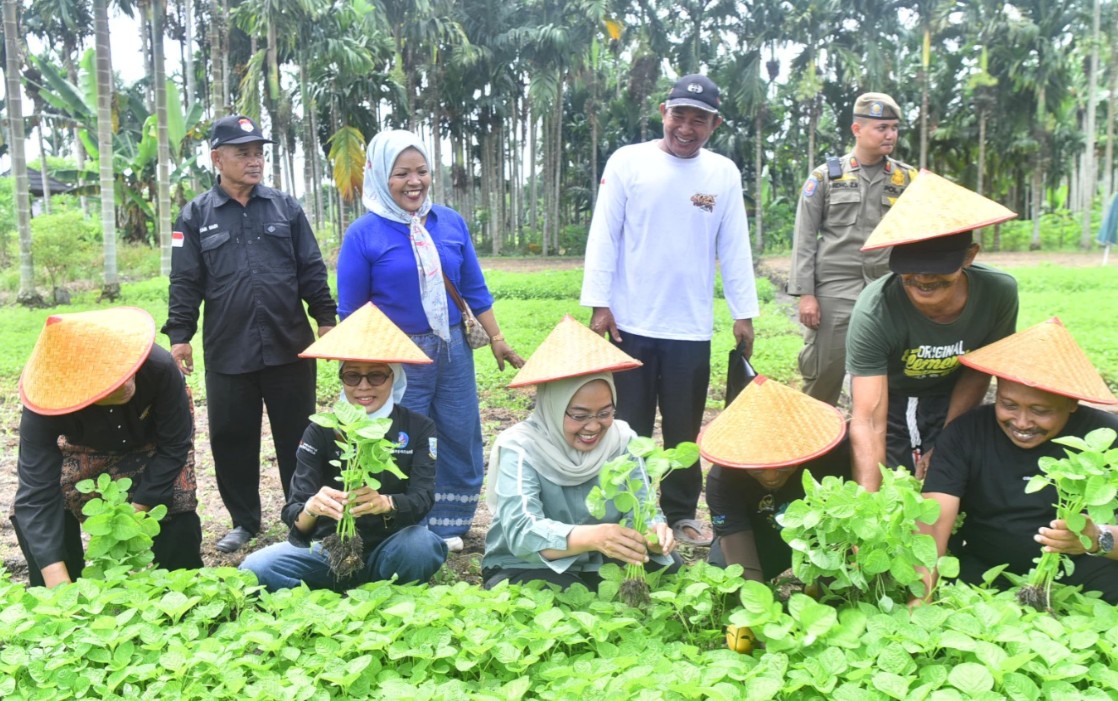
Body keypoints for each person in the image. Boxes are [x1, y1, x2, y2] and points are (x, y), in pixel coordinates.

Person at [580, 74, 760, 546]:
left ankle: (680, 511)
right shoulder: (628, 162)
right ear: (664, 112)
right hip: (630, 323)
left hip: (690, 327)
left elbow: (735, 246)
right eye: (679, 115)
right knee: (629, 426)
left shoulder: (722, 174)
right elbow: (604, 235)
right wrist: (600, 305)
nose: (686, 127)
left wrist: (744, 313)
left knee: (683, 429)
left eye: (698, 119)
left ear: (714, 124)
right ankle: (630, 509)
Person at [336, 129, 523, 550]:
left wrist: (497, 338)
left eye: (421, 171)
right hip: (396, 355)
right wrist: (362, 373)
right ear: (381, 176)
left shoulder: (449, 222)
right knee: (401, 438)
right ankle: (401, 523)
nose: (414, 181)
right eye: (401, 173)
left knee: (459, 431)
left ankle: (450, 524)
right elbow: (352, 312)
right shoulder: (364, 234)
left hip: (453, 346)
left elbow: (474, 288)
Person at [163, 114, 337, 554]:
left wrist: (326, 319)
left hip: (289, 345)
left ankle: (306, 515)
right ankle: (244, 521)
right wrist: (180, 334)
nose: (254, 160)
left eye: (258, 152)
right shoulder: (195, 215)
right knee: (231, 438)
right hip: (227, 349)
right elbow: (184, 281)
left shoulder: (286, 208)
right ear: (217, 158)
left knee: (300, 439)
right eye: (243, 153)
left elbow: (311, 267)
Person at [240, 303, 447, 591]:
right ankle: (347, 591)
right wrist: (312, 508)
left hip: (391, 547)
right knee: (256, 568)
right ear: (342, 379)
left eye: (376, 376)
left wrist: (386, 503)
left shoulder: (418, 428)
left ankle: (379, 590)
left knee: (422, 545)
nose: (363, 386)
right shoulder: (323, 428)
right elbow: (295, 512)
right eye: (352, 376)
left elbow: (423, 498)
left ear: (394, 377)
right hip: (328, 550)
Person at [921, 318, 1118, 604]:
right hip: (986, 573)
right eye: (1008, 405)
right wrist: (923, 596)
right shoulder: (966, 432)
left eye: (1040, 410)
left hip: (1087, 574)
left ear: (1072, 403)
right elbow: (934, 520)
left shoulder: (1107, 438)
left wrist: (1099, 538)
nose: (1022, 422)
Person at [846, 170, 1019, 490]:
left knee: (957, 476)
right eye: (909, 270)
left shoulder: (998, 294)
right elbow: (869, 419)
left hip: (953, 391)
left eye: (938, 269)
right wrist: (867, 507)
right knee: (894, 480)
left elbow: (979, 371)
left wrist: (947, 439)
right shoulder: (875, 309)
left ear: (969, 256)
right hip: (890, 393)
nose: (923, 279)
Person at [482, 316, 678, 590]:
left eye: (605, 413)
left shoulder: (622, 439)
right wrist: (593, 537)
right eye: (579, 415)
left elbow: (643, 507)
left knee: (670, 566)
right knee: (555, 591)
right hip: (529, 562)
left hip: (603, 557)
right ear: (553, 406)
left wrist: (655, 530)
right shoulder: (521, 445)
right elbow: (521, 532)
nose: (594, 426)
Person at [12, 308, 203, 587]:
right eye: (108, 381)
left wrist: (134, 518)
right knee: (38, 517)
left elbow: (174, 445)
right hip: (81, 449)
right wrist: (57, 584)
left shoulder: (159, 367)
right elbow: (36, 490)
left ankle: (183, 589)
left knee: (175, 505)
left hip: (153, 444)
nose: (125, 381)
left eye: (127, 369)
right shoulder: (46, 398)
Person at [788, 92, 917, 405]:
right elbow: (804, 237)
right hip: (836, 290)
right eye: (882, 127)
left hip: (890, 289)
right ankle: (813, 449)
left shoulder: (907, 179)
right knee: (823, 374)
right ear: (857, 130)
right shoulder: (826, 177)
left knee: (889, 379)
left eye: (894, 128)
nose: (890, 135)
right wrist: (806, 295)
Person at [701, 375, 848, 581]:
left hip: (822, 537)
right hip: (761, 536)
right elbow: (740, 555)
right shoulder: (722, 479)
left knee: (837, 588)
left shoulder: (837, 456)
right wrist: (760, 606)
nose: (771, 477)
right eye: (758, 468)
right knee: (726, 577)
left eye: (783, 467)